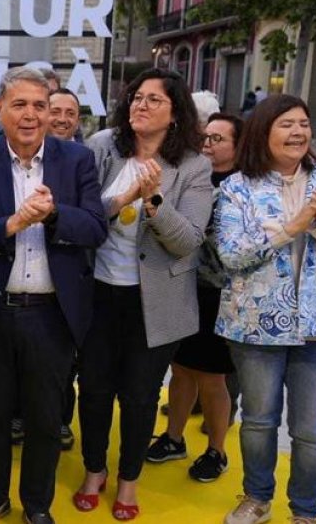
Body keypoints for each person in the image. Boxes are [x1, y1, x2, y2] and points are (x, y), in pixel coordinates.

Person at [0, 67, 107, 524]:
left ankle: (37, 505)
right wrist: (11, 225)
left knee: (45, 420)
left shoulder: (75, 160)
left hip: (51, 314)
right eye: (19, 104)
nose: (31, 114)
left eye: (40, 105)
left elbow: (96, 227)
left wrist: (54, 214)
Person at [216, 95, 316, 524]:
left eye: (303, 123)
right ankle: (257, 497)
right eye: (286, 124)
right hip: (256, 325)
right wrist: (292, 227)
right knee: (258, 421)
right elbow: (231, 254)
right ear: (263, 131)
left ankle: (305, 511)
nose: (298, 132)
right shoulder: (237, 187)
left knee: (312, 430)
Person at [75, 69, 213, 520]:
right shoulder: (101, 147)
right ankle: (94, 469)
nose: (141, 105)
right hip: (98, 292)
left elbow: (187, 240)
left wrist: (153, 202)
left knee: (139, 395)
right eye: (137, 97)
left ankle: (128, 479)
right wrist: (125, 196)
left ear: (175, 114)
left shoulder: (193, 165)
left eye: (155, 99)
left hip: (155, 303)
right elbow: (80, 218)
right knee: (93, 390)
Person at [146, 112, 243, 482]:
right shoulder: (187, 174)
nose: (208, 142)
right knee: (181, 369)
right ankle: (173, 438)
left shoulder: (241, 187)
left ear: (237, 145)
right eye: (205, 135)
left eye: (219, 138)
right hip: (182, 284)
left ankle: (216, 450)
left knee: (212, 377)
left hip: (218, 292)